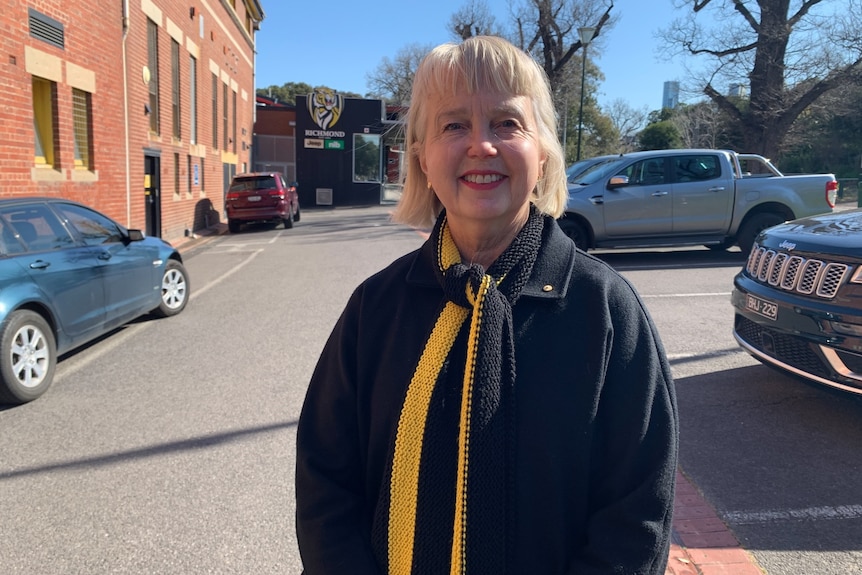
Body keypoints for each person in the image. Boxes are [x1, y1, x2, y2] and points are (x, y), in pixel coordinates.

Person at [295, 35, 678, 575]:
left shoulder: (606, 310)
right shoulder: (374, 309)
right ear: (423, 158)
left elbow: (638, 514)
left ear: (542, 152)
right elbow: (325, 485)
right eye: (453, 125)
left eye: (507, 123)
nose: (482, 146)